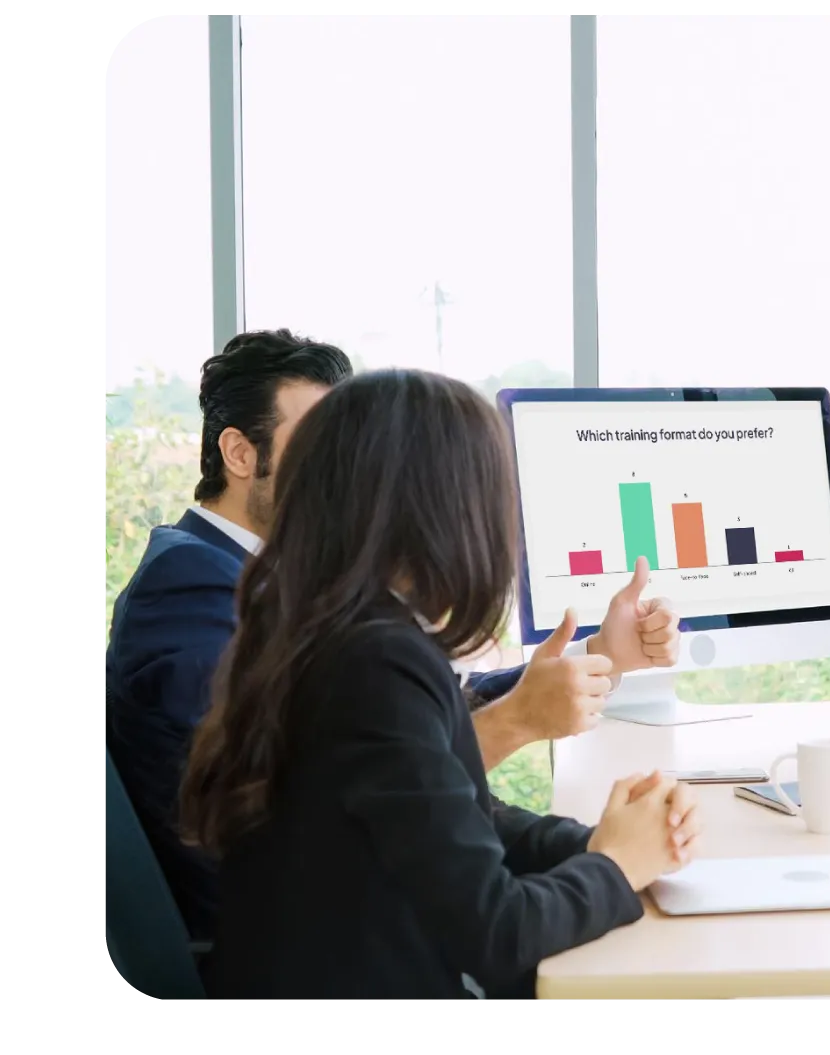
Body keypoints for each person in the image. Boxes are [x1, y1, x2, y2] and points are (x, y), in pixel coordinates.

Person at [104, 330, 680, 943]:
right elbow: (313, 807)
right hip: (299, 943)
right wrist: (519, 726)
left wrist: (597, 659)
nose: (339, 470)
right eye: (319, 446)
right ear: (241, 455)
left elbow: (401, 725)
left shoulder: (286, 584)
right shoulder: (190, 588)